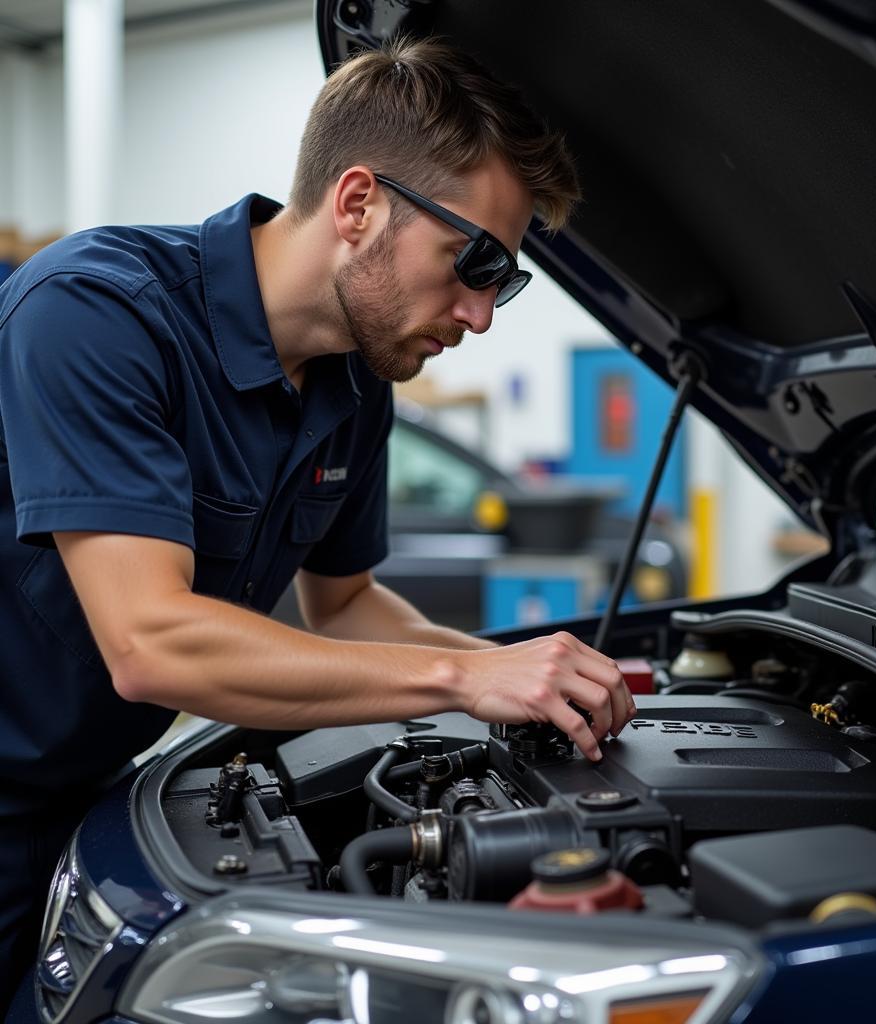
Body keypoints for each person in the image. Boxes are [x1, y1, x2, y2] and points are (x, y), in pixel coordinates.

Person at [0, 37, 636, 1011]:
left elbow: (341, 606)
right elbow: (149, 640)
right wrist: (464, 674)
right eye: (474, 262)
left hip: (75, 798)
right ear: (356, 205)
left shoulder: (355, 381)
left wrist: (520, 680)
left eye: (504, 283)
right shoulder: (94, 309)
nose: (479, 314)